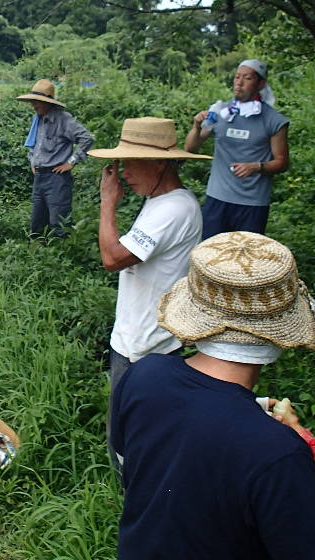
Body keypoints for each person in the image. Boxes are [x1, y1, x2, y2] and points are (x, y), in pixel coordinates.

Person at [111, 231, 315, 559]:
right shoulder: (278, 453)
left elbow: (137, 464)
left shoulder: (144, 375)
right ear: (280, 330)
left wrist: (250, 412)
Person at [88, 117, 211, 469]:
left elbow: (112, 258)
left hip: (149, 347)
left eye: (131, 161)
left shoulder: (174, 208)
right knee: (124, 435)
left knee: (133, 444)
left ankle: (135, 509)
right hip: (134, 339)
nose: (123, 171)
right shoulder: (159, 202)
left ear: (160, 162)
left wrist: (108, 202)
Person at [184, 58, 290, 238]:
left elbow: (282, 162)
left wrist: (257, 166)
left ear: (261, 83)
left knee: (244, 259)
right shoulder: (219, 111)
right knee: (211, 254)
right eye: (237, 77)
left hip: (253, 204)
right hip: (217, 198)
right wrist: (196, 126)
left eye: (247, 78)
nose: (239, 83)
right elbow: (190, 147)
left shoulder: (274, 120)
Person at [17, 79, 94, 237]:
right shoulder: (37, 120)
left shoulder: (63, 120)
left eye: (37, 101)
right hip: (39, 176)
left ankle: (65, 253)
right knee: (37, 221)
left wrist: (71, 162)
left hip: (56, 177)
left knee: (59, 221)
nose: (34, 105)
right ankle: (38, 254)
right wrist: (33, 161)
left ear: (48, 102)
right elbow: (33, 145)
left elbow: (87, 138)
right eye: (33, 101)